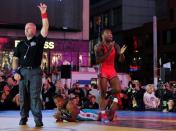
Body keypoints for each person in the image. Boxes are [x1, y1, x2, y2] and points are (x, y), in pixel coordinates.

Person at [12, 3, 49, 127]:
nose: (28, 29)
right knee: (23, 96)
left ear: (34, 30)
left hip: (35, 72)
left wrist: (43, 13)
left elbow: (45, 27)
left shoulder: (39, 40)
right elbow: (15, 59)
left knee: (34, 96)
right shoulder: (20, 45)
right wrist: (14, 72)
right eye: (26, 27)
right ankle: (23, 117)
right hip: (22, 72)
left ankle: (38, 120)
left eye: (30, 27)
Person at [94, 29, 127, 122]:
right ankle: (103, 114)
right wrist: (109, 49)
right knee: (102, 94)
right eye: (108, 33)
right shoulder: (98, 46)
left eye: (111, 33)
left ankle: (108, 96)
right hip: (103, 70)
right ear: (102, 36)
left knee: (118, 90)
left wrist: (121, 54)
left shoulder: (115, 45)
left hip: (111, 69)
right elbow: (98, 60)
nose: (110, 35)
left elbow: (121, 61)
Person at [53, 94, 118, 122]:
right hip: (84, 112)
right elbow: (61, 117)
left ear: (63, 99)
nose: (58, 104)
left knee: (110, 117)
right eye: (56, 103)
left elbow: (73, 119)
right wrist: (59, 118)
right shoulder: (60, 107)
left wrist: (61, 117)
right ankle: (113, 99)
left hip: (85, 115)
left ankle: (115, 100)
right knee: (108, 114)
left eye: (59, 101)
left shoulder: (69, 105)